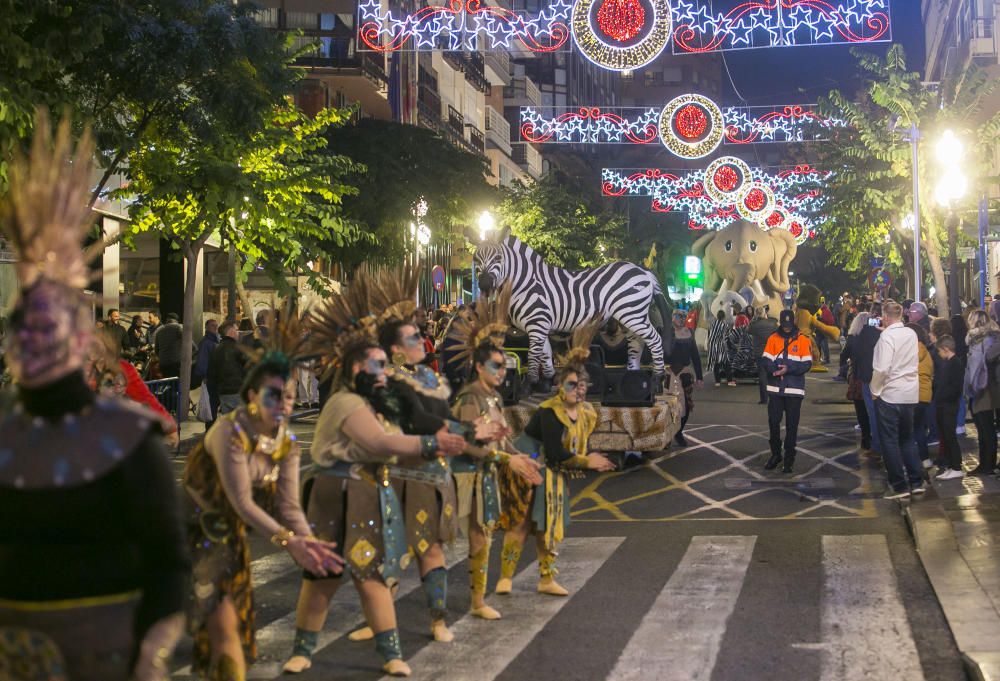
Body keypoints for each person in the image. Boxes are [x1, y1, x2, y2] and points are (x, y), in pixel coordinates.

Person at [0, 113, 190, 681]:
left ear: (81, 338)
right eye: (24, 324)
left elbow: (168, 566)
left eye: (51, 323)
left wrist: (149, 659)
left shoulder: (128, 439)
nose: (36, 337)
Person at [283, 286, 465, 676]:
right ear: (354, 369)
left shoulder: (374, 401)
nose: (384, 373)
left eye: (386, 364)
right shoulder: (346, 403)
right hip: (335, 494)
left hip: (368, 492)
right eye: (377, 366)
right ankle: (303, 650)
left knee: (374, 578)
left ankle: (392, 654)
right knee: (323, 578)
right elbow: (381, 442)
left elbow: (406, 427)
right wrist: (435, 442)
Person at [183, 327, 343, 680]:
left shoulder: (287, 443)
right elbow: (241, 499)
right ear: (252, 395)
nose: (284, 404)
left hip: (229, 537)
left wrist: (309, 543)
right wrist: (291, 543)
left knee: (232, 630)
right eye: (274, 396)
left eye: (288, 396)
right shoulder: (230, 432)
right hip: (188, 534)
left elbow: (289, 508)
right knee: (219, 627)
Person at [448, 293, 543, 619]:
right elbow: (470, 445)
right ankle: (473, 604)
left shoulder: (492, 398)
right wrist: (509, 461)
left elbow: (502, 441)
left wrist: (522, 457)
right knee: (475, 539)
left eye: (505, 365)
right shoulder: (471, 397)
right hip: (467, 477)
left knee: (484, 537)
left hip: (486, 475)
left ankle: (479, 600)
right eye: (496, 366)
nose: (503, 371)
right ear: (478, 366)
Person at [498, 353, 615, 598]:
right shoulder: (550, 411)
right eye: (571, 385)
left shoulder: (586, 413)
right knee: (520, 522)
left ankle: (547, 578)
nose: (577, 390)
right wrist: (587, 462)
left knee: (549, 527)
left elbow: (570, 449)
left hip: (554, 471)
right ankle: (505, 577)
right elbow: (553, 452)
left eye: (581, 385)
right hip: (529, 465)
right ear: (560, 387)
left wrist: (588, 459)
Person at [871, 300, 925, 498]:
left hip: (890, 394)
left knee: (890, 441)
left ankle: (899, 485)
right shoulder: (911, 333)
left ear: (885, 317)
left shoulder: (886, 338)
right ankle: (917, 481)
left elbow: (882, 368)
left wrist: (874, 389)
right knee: (907, 439)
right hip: (910, 393)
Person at [762, 309, 812, 473]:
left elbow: (806, 364)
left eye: (789, 325)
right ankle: (776, 454)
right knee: (773, 423)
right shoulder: (772, 338)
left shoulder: (803, 340)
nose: (787, 328)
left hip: (794, 390)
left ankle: (789, 458)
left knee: (792, 426)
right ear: (780, 323)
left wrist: (788, 369)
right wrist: (775, 371)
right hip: (775, 390)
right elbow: (766, 359)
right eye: (784, 325)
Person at [964, 309, 1000, 475]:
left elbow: (976, 366)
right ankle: (989, 463)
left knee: (985, 428)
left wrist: (970, 387)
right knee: (988, 428)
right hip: (992, 387)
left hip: (983, 387)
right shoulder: (994, 337)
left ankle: (987, 464)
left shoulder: (978, 339)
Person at [665, 309, 703, 445]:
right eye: (678, 316)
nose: (681, 319)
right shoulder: (665, 332)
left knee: (686, 406)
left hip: (684, 375)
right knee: (666, 406)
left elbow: (695, 356)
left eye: (683, 317)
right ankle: (668, 434)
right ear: (672, 317)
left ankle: (678, 432)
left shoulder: (689, 333)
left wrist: (700, 377)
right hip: (667, 373)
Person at [934, 336, 966, 479]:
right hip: (944, 404)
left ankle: (956, 467)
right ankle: (951, 465)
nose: (939, 354)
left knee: (950, 436)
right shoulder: (949, 362)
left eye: (940, 351)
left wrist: (942, 396)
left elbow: (955, 387)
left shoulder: (955, 364)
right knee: (946, 436)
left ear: (946, 349)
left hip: (949, 406)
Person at [843, 312, 872, 451]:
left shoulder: (853, 338)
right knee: (872, 410)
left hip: (858, 376)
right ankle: (872, 439)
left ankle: (866, 439)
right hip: (873, 376)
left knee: (861, 409)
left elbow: (843, 356)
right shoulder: (876, 337)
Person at [207, 320, 247, 418]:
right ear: (231, 331)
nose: (238, 333)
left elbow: (211, 373)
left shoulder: (216, 349)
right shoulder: (238, 348)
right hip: (238, 391)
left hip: (223, 393)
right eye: (237, 330)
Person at [907, 322, 934, 468]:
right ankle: (924, 459)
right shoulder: (926, 351)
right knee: (919, 429)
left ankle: (911, 461)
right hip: (924, 396)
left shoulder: (911, 351)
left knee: (908, 430)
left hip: (912, 395)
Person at [749, 307, 778, 404]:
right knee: (773, 375)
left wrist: (754, 319)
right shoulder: (772, 323)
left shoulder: (754, 325)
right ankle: (775, 397)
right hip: (771, 352)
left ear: (756, 314)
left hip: (759, 353)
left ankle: (764, 399)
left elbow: (747, 330)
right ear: (765, 313)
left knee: (762, 376)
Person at [951, 313, 970, 435]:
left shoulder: (951, 337)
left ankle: (957, 423)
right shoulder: (967, 336)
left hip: (955, 370)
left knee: (956, 397)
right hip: (964, 369)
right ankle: (961, 423)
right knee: (962, 398)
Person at [154, 312, 184, 379]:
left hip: (163, 363)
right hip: (177, 363)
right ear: (176, 321)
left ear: (167, 320)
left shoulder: (159, 331)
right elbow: (188, 343)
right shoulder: (179, 327)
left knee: (168, 383)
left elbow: (156, 350)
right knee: (178, 384)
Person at [193, 318, 220, 389]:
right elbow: (202, 361)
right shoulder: (205, 342)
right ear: (206, 327)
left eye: (216, 325)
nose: (215, 327)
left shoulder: (217, 340)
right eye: (212, 325)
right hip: (210, 377)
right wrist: (205, 376)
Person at [707, 309, 732, 386]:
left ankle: (717, 381)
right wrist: (730, 346)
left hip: (712, 345)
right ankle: (729, 381)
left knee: (716, 364)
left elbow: (709, 334)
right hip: (720, 346)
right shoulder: (724, 325)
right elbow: (727, 337)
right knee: (726, 363)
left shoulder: (712, 324)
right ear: (724, 317)